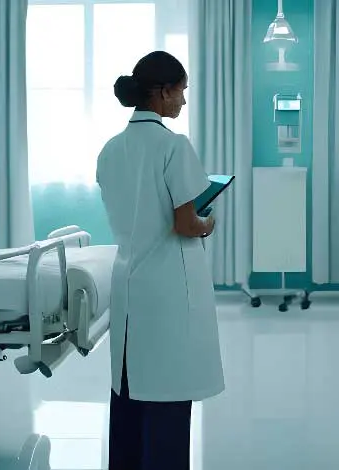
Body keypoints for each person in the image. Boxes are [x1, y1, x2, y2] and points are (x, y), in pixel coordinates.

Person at [96, 51, 225, 470]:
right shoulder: (173, 146)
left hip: (129, 283)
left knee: (129, 391)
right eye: (181, 91)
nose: (183, 102)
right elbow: (185, 223)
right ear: (162, 91)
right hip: (168, 289)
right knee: (168, 394)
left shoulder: (111, 149)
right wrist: (209, 223)